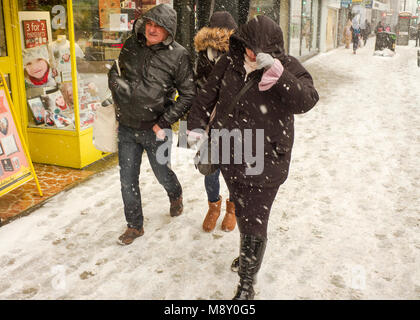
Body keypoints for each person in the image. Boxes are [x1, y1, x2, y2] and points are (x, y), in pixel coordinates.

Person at [187, 15, 319, 299]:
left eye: (260, 49)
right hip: (230, 156)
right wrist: (196, 127)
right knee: (245, 213)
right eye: (248, 45)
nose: (253, 53)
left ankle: (247, 283)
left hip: (267, 160)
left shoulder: (289, 66)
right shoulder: (229, 63)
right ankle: (248, 256)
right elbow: (205, 96)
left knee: (255, 220)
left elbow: (307, 100)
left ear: (273, 48)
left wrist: (278, 73)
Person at [108, 4, 196, 245]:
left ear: (169, 29)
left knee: (162, 173)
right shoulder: (130, 45)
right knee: (127, 179)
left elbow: (188, 94)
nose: (152, 29)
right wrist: (116, 84)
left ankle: (175, 193)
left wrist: (164, 122)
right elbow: (115, 73)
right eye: (149, 23)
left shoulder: (179, 55)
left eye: (158, 25)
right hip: (127, 127)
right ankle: (134, 226)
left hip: (157, 130)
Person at [193, 11, 238, 233]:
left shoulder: (240, 56)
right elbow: (195, 89)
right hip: (209, 124)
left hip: (236, 124)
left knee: (235, 169)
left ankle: (232, 209)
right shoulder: (202, 56)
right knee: (210, 168)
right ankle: (213, 207)